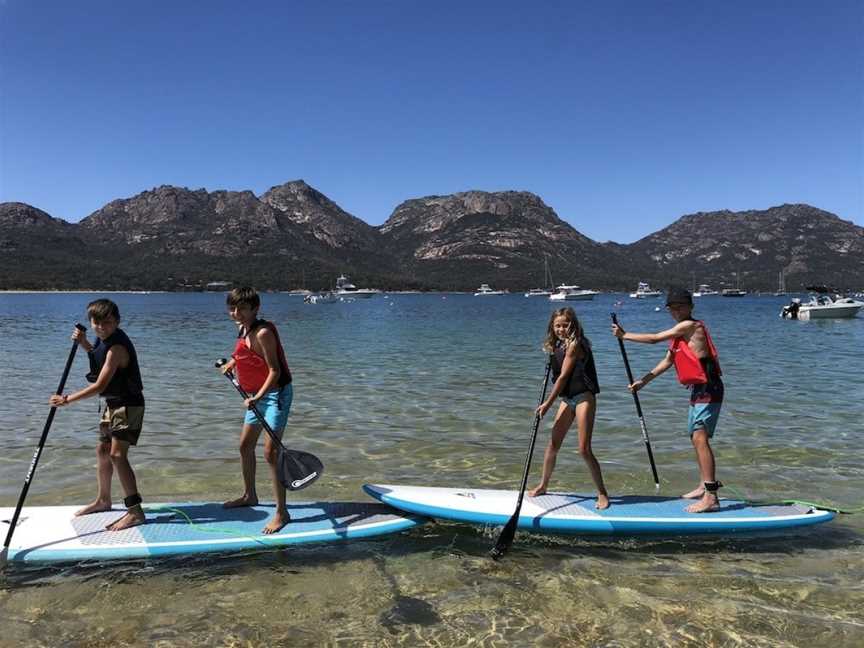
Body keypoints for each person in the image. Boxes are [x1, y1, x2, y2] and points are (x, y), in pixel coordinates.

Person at [611, 286, 724, 513]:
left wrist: (625, 335)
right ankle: (703, 485)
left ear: (690, 307)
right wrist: (643, 381)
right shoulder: (678, 335)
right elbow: (667, 362)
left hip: (709, 388)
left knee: (700, 438)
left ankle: (711, 496)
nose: (676, 311)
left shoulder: (690, 326)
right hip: (698, 390)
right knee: (695, 437)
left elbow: (654, 338)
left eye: (680, 307)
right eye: (672, 308)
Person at [48, 299, 146, 531]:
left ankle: (135, 511)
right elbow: (97, 357)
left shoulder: (117, 347)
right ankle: (103, 500)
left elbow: (100, 385)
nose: (102, 327)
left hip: (128, 405)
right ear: (91, 322)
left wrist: (67, 400)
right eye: (97, 323)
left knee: (117, 455)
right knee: (102, 450)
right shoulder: (103, 341)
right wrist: (84, 343)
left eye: (108, 323)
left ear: (117, 321)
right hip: (112, 404)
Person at [219, 287, 294, 534]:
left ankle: (282, 513)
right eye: (232, 308)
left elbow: (275, 371)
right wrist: (232, 362)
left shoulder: (263, 332)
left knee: (271, 452)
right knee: (244, 446)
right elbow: (242, 351)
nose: (236, 313)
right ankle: (250, 495)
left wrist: (258, 397)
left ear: (255, 308)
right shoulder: (243, 328)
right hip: (254, 397)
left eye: (242, 308)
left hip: (275, 395)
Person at [528, 307, 610, 509]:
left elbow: (564, 376)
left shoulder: (575, 345)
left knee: (583, 449)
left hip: (583, 398)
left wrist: (547, 403)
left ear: (573, 325)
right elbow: (558, 376)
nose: (561, 329)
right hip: (567, 399)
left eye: (565, 325)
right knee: (552, 445)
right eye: (557, 325)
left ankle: (602, 493)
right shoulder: (557, 346)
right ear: (552, 327)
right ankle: (543, 485)